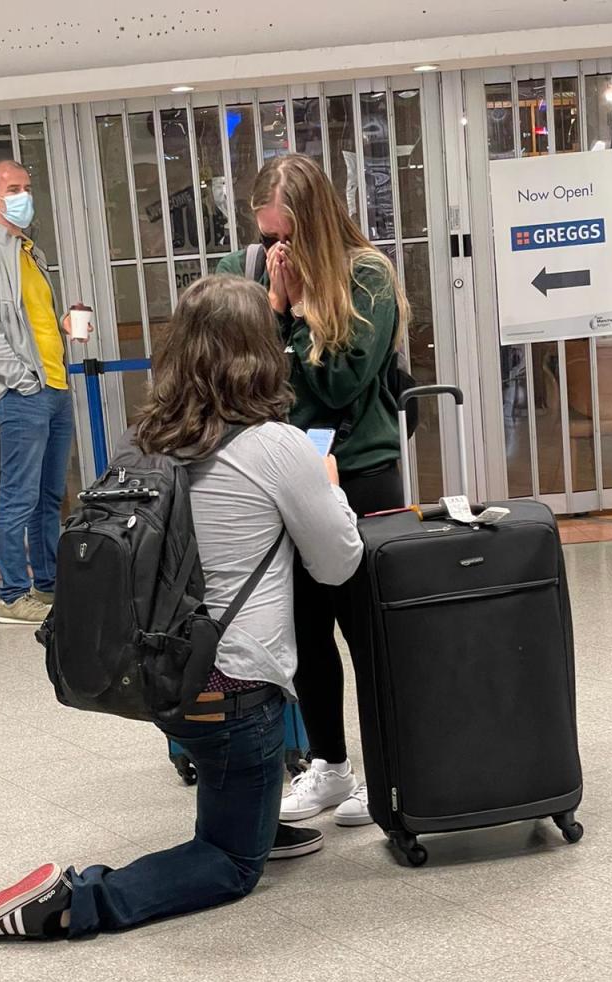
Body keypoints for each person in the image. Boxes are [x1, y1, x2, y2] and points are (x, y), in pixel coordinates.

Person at [0, 275, 363, 941]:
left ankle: (251, 813)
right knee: (233, 862)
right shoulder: (278, 447)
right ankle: (75, 901)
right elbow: (338, 561)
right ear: (260, 352)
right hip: (232, 692)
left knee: (240, 791)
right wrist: (326, 482)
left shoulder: (140, 440)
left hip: (159, 680)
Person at [217, 155, 407, 828]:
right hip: (292, 474)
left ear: (312, 222)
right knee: (306, 628)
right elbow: (259, 384)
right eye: (267, 238)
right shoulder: (267, 279)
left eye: (283, 237)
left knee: (367, 628)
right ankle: (329, 765)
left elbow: (338, 385)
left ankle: (387, 769)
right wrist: (272, 307)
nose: (274, 250)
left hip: (360, 471)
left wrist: (298, 309)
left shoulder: (368, 276)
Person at [0, 159, 90, 625]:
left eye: (27, 187)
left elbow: (28, 323)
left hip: (54, 386)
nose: (23, 196)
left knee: (50, 496)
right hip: (25, 395)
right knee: (19, 495)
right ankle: (13, 594)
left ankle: (48, 585)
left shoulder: (28, 252)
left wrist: (61, 330)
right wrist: (23, 380)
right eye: (13, 188)